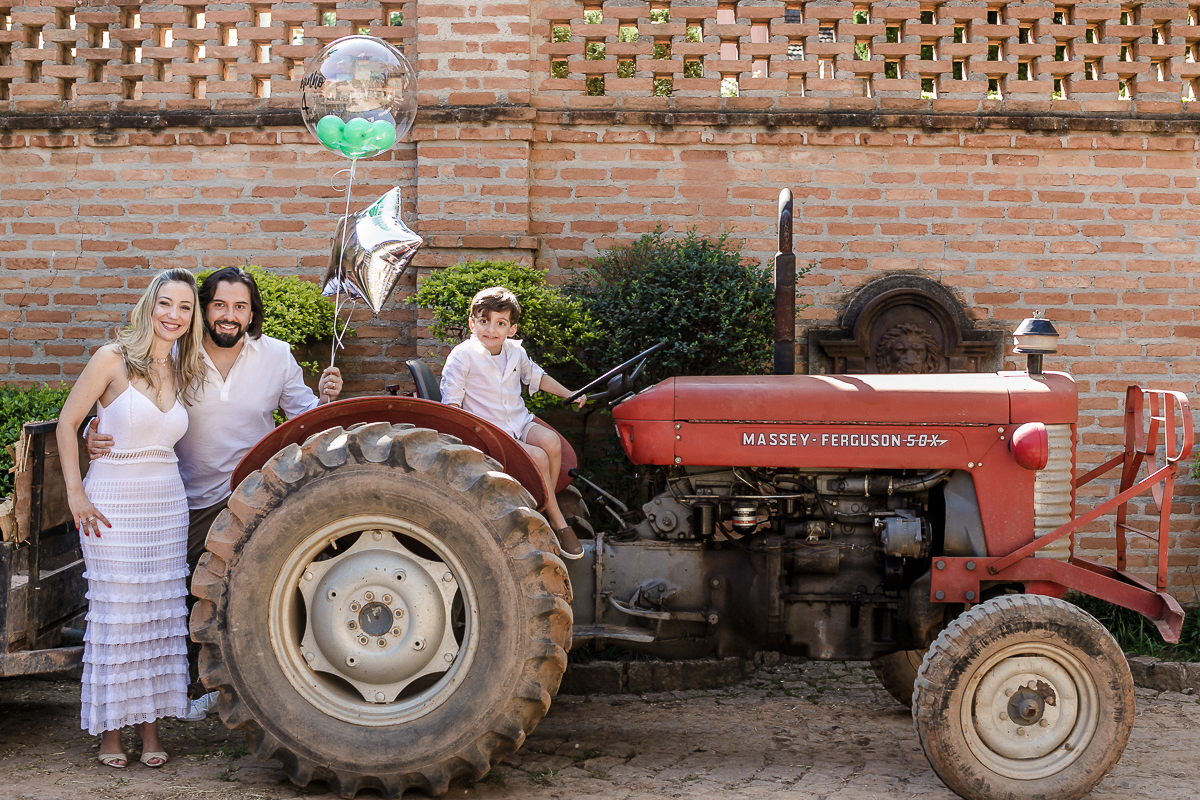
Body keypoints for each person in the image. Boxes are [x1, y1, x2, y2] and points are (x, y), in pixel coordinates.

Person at [87, 266, 343, 720]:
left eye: (240, 307)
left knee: (264, 589)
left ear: (251, 314)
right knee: (181, 593)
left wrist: (326, 398)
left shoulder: (277, 356)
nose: (229, 315)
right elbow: (132, 406)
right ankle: (188, 684)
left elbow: (309, 419)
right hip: (184, 496)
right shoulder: (177, 356)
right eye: (219, 305)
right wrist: (97, 429)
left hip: (256, 496)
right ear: (204, 311)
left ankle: (264, 681)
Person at [57, 268, 208, 769]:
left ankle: (150, 731)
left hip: (165, 504)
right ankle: (110, 734)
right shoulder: (111, 358)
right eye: (166, 303)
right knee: (118, 616)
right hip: (112, 503)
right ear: (150, 305)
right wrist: (75, 492)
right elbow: (68, 422)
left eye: (185, 307)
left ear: (192, 317)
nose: (174, 315)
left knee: (160, 618)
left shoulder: (182, 368)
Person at [439, 286, 587, 558]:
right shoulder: (463, 355)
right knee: (539, 459)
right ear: (472, 323)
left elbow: (537, 378)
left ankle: (542, 507)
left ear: (512, 329)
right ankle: (557, 522)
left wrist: (569, 393)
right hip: (489, 431)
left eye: (500, 323)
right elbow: (451, 403)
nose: (491, 330)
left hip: (518, 422)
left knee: (551, 442)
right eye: (484, 321)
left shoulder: (515, 352)